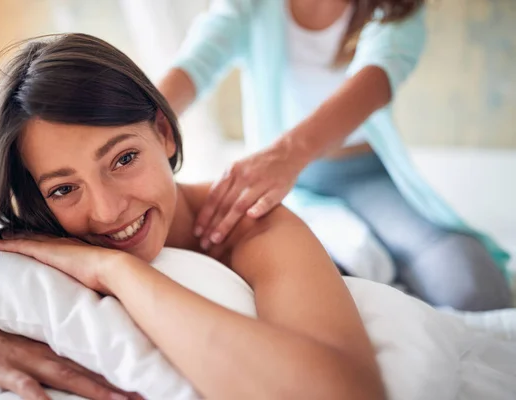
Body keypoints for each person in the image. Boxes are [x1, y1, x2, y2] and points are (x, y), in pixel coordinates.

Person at [0, 33, 384, 400]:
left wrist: (115, 270)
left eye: (122, 159)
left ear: (164, 133)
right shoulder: (45, 232)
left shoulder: (255, 226)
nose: (106, 210)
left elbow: (346, 393)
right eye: (64, 187)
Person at [157, 0, 513, 311]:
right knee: (311, 285)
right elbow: (197, 61)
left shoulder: (395, 7)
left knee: (471, 287)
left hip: (364, 175)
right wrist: (136, 125)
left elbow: (378, 75)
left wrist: (287, 156)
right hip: (285, 184)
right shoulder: (250, 5)